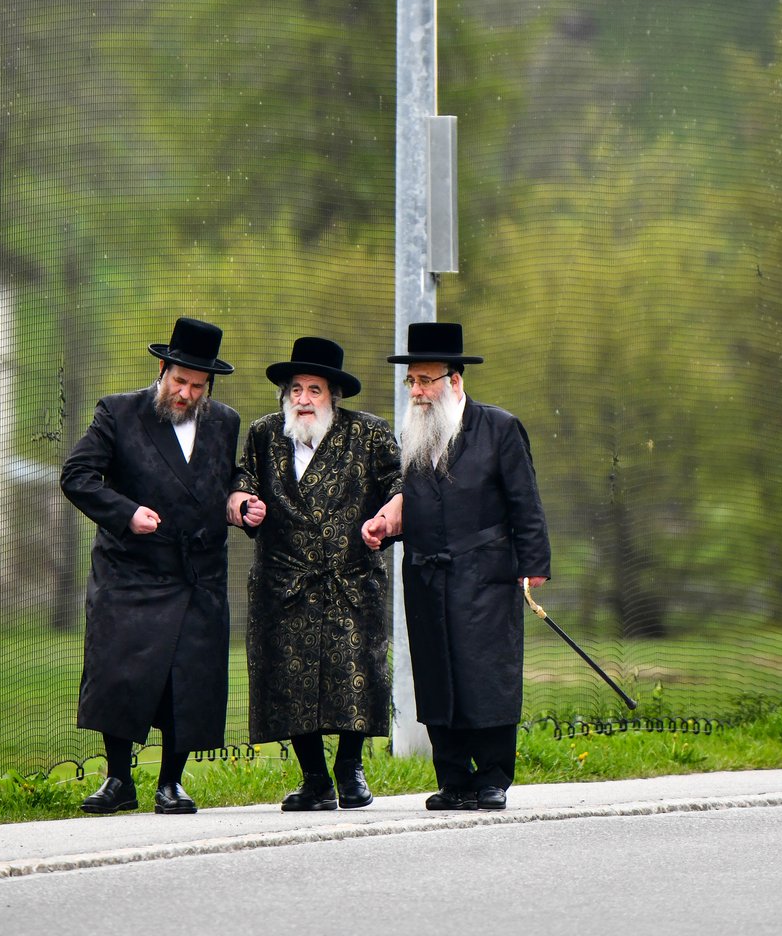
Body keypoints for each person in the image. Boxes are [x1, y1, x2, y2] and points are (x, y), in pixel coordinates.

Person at [362, 321, 550, 812]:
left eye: (427, 381)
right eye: (413, 382)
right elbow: (414, 503)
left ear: (455, 381)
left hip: (485, 575)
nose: (419, 392)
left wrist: (533, 565)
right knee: (436, 676)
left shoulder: (500, 428)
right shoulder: (413, 434)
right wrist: (386, 525)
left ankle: (491, 778)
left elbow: (525, 502)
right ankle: (453, 779)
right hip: (426, 574)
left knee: (485, 674)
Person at [60, 316, 240, 815]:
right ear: (162, 368)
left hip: (196, 574)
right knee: (120, 673)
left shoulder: (224, 421)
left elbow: (232, 472)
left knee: (187, 677)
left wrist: (241, 496)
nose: (185, 393)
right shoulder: (119, 412)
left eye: (197, 386)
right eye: (179, 380)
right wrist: (126, 513)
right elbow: (77, 475)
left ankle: (171, 783)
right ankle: (118, 779)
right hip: (130, 571)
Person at [228, 335, 401, 812]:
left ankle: (351, 770)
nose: (303, 400)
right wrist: (244, 507)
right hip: (283, 582)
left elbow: (400, 485)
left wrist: (385, 521)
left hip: (351, 578)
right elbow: (241, 481)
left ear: (333, 396)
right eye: (296, 389)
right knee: (287, 680)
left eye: (314, 390)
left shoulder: (369, 433)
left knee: (355, 675)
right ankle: (314, 780)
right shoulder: (265, 434)